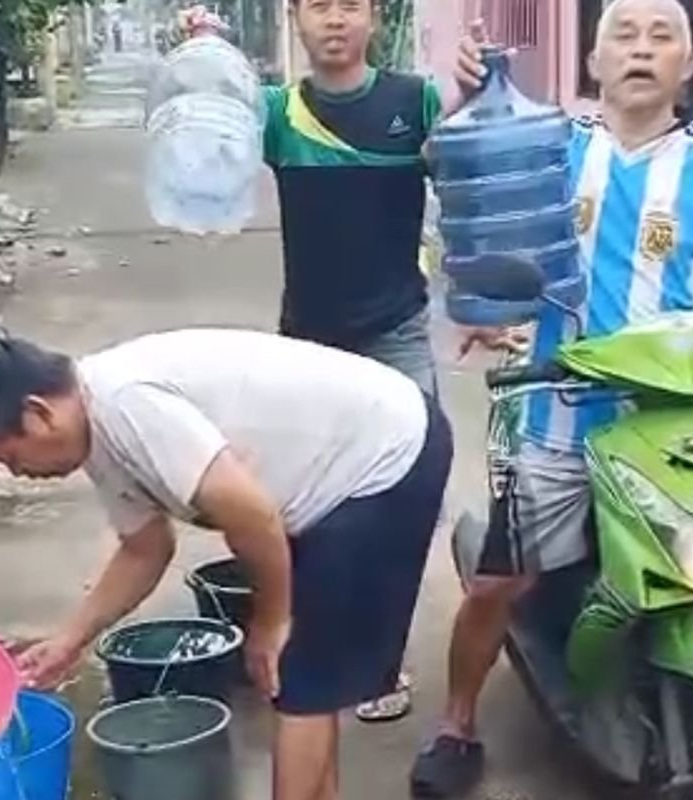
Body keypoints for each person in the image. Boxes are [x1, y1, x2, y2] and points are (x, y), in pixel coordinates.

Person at [410, 1, 693, 797]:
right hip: (557, 412)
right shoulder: (552, 144)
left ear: (690, 65)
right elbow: (481, 205)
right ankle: (457, 723)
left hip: (671, 423)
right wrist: (468, 102)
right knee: (500, 583)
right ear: (594, 62)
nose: (642, 49)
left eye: (661, 36)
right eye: (624, 33)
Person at [0, 329, 452, 800]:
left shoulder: (127, 405)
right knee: (307, 677)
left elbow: (253, 516)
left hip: (382, 456)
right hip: (333, 472)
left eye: (11, 457)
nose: (18, 474)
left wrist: (272, 620)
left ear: (38, 413)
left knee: (301, 682)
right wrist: (70, 640)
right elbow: (145, 549)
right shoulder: (97, 430)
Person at [177, 0, 467, 721]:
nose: (334, 20)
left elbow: (467, 184)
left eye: (350, 6)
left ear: (374, 18)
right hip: (307, 342)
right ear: (297, 19)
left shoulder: (416, 101)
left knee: (400, 503)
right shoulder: (278, 113)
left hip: (397, 329)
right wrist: (204, 62)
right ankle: (306, 643)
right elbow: (209, 146)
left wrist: (472, 94)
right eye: (318, 6)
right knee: (302, 503)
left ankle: (380, 663)